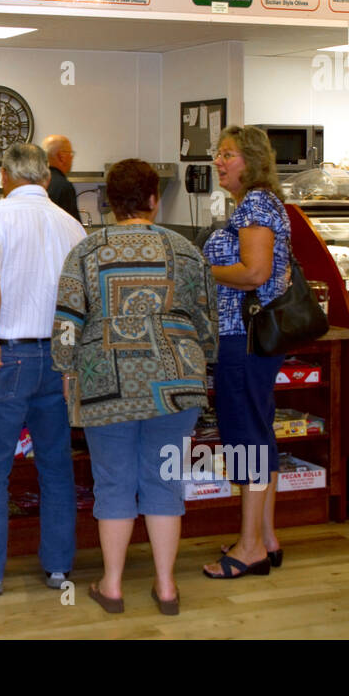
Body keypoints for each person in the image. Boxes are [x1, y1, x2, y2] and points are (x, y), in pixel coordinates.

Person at [53, 159, 216, 615]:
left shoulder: (87, 250)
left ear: (109, 202)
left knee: (113, 484)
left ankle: (112, 586)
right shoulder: (186, 250)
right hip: (176, 379)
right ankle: (166, 588)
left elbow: (67, 319)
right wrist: (203, 360)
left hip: (107, 380)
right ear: (153, 200)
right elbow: (207, 320)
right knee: (166, 482)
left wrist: (66, 369)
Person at [0, 142, 86, 596]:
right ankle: (59, 568)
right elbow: (79, 299)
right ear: (45, 177)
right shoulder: (71, 225)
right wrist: (70, 357)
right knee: (56, 465)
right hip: (58, 358)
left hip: (8, 357)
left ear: (4, 178)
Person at [201, 125, 291, 580]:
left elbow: (255, 273)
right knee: (259, 432)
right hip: (256, 339)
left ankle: (250, 547)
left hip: (243, 336)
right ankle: (266, 537)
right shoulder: (263, 203)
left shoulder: (255, 205)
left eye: (228, 154)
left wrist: (203, 270)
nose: (218, 162)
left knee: (245, 440)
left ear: (251, 161)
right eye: (218, 154)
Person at [42, 134, 80, 221]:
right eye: (70, 153)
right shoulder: (63, 186)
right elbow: (73, 225)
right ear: (61, 157)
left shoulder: (37, 182)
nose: (71, 157)